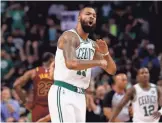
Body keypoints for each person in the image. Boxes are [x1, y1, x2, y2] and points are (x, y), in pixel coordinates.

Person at [48, 6, 116, 123]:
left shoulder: (92, 44)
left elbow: (112, 70)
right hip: (63, 90)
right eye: (88, 14)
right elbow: (71, 63)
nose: (92, 17)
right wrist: (98, 61)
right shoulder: (69, 36)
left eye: (94, 16)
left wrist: (106, 53)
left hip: (80, 94)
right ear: (79, 17)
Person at [13, 52, 54, 122]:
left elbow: (16, 85)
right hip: (53, 108)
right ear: (51, 60)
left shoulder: (33, 72)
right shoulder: (57, 72)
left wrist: (25, 102)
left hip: (38, 108)